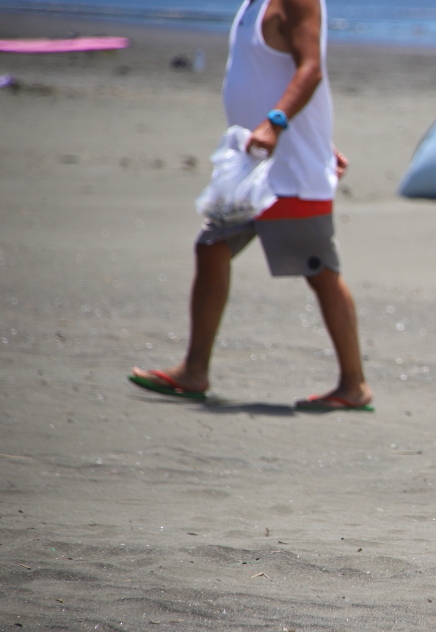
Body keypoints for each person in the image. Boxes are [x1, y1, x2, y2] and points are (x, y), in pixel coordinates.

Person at [129, 0, 373, 410]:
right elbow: (264, 75)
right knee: (211, 248)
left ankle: (354, 386)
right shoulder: (253, 4)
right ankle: (193, 370)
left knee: (321, 272)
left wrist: (279, 126)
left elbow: (310, 68)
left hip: (289, 173)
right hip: (251, 165)